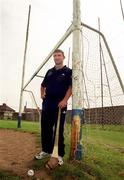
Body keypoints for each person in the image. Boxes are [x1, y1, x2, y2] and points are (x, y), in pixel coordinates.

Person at [35, 49, 72, 165]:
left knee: (58, 130)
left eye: (59, 55)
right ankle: (46, 150)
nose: (57, 57)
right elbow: (42, 85)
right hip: (47, 105)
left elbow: (71, 87)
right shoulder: (49, 72)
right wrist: (42, 94)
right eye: (55, 55)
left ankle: (59, 154)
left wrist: (65, 100)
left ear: (63, 57)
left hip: (60, 105)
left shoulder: (68, 71)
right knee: (45, 128)